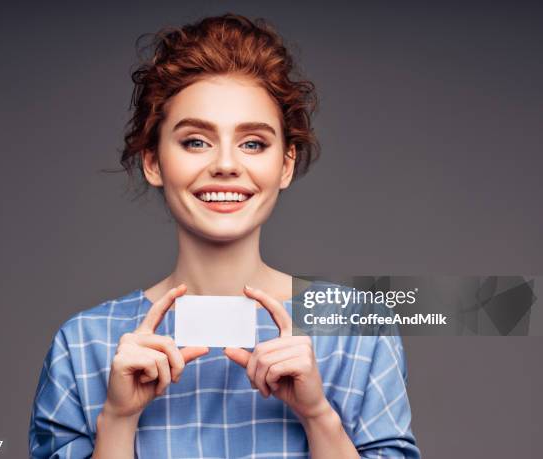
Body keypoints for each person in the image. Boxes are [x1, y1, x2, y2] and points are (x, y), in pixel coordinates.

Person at [28, 13, 420, 458]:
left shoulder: (356, 330)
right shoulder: (85, 342)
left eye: (253, 143)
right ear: (153, 161)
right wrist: (117, 420)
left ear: (285, 164)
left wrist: (318, 415)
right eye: (196, 141)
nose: (226, 164)